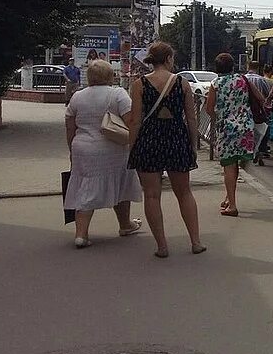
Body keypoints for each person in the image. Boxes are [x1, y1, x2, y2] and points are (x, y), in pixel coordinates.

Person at [127, 41, 204, 258]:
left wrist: (132, 147)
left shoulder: (139, 85)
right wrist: (192, 144)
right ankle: (196, 242)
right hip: (176, 140)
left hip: (149, 141)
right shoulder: (183, 83)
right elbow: (191, 117)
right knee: (184, 193)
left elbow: (135, 121)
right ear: (169, 59)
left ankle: (162, 246)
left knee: (151, 196)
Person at [64, 59, 143, 248]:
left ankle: (81, 233)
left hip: (83, 148)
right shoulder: (118, 94)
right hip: (113, 149)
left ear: (89, 76)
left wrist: (71, 149)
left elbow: (69, 126)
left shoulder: (77, 96)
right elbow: (131, 121)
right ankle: (124, 224)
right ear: (110, 75)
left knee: (85, 188)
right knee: (121, 183)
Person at [205, 53, 258, 217]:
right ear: (233, 66)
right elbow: (260, 98)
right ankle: (229, 197)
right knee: (237, 164)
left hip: (227, 130)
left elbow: (208, 109)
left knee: (229, 165)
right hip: (246, 127)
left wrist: (219, 118)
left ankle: (232, 205)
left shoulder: (216, 84)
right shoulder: (243, 80)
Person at [244, 61, 273, 166]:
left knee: (249, 131)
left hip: (246, 110)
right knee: (261, 131)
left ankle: (249, 150)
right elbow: (265, 95)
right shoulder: (261, 80)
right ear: (258, 68)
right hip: (258, 111)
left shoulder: (243, 79)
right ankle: (260, 152)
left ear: (248, 66)